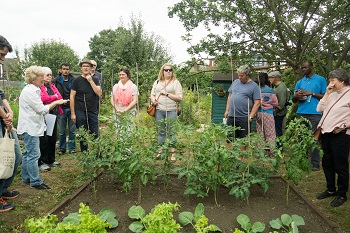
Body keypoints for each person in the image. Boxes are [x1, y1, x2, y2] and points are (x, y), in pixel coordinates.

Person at [17, 66, 68, 190]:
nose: (43, 79)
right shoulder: (30, 91)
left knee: (28, 153)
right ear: (34, 78)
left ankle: (27, 178)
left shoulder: (34, 89)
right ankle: (35, 181)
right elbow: (41, 109)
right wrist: (56, 102)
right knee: (34, 154)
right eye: (41, 76)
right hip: (30, 127)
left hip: (32, 126)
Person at [316, 68, 350, 207]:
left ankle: (342, 194)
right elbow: (319, 109)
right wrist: (327, 93)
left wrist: (345, 125)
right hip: (326, 133)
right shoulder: (332, 94)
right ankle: (331, 189)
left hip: (340, 135)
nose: (330, 83)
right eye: (330, 80)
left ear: (342, 80)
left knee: (340, 166)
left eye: (333, 80)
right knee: (327, 163)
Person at [0, 35, 22, 212]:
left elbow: (1, 95)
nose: (3, 58)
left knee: (15, 156)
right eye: (1, 54)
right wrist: (5, 117)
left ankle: (3, 188)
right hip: (1, 119)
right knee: (1, 159)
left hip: (3, 118)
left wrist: (9, 110)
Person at [292, 61, 327, 171]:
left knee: (313, 139)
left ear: (311, 67)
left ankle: (315, 164)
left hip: (315, 113)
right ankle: (303, 162)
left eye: (305, 68)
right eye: (302, 68)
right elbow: (293, 100)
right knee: (300, 138)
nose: (303, 70)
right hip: (301, 112)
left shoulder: (320, 80)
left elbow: (326, 96)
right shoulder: (300, 82)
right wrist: (296, 95)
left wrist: (311, 93)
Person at [150, 64, 182, 161]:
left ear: (172, 71)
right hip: (159, 110)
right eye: (166, 70)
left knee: (172, 132)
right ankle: (160, 151)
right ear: (162, 71)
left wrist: (167, 94)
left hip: (171, 110)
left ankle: (173, 154)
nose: (168, 72)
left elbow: (180, 97)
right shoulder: (157, 82)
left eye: (170, 70)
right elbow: (152, 94)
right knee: (161, 132)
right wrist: (153, 101)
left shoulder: (175, 82)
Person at [70, 58, 102, 152]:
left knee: (95, 132)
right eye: (84, 66)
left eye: (88, 66)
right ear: (81, 68)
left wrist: (91, 81)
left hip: (92, 109)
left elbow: (99, 93)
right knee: (82, 132)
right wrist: (73, 113)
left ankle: (97, 153)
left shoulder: (95, 79)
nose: (86, 68)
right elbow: (72, 97)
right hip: (80, 109)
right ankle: (85, 154)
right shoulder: (76, 81)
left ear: (91, 68)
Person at [224, 65, 261, 143]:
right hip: (231, 116)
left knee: (243, 140)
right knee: (229, 139)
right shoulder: (235, 82)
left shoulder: (254, 86)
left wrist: (251, 116)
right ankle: (231, 155)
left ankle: (242, 155)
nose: (239, 77)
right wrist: (227, 110)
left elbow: (257, 102)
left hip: (244, 117)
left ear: (247, 75)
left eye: (242, 76)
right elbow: (229, 96)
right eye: (238, 75)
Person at [38, 67, 63, 172]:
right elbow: (43, 98)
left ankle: (51, 159)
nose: (50, 77)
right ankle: (42, 161)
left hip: (53, 114)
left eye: (50, 75)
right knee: (43, 139)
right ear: (42, 76)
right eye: (47, 75)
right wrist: (54, 97)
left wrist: (54, 97)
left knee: (52, 137)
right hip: (43, 115)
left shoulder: (52, 86)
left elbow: (60, 97)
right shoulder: (39, 87)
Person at [53, 63, 76, 155]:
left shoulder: (73, 80)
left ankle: (72, 148)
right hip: (61, 108)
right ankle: (62, 148)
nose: (65, 71)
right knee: (62, 131)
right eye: (64, 69)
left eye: (67, 69)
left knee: (72, 130)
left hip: (72, 108)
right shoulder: (56, 81)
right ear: (60, 70)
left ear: (69, 70)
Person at [256, 73, 278, 156]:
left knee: (260, 133)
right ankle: (272, 153)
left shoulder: (257, 90)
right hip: (268, 113)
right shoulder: (270, 90)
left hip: (258, 113)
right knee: (270, 133)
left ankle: (260, 153)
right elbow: (276, 103)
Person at [268, 71, 289, 137]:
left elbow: (281, 104)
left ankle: (279, 146)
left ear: (275, 78)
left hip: (279, 114)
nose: (269, 80)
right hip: (277, 113)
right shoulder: (276, 86)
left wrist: (274, 112)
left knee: (278, 131)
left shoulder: (281, 88)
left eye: (270, 78)